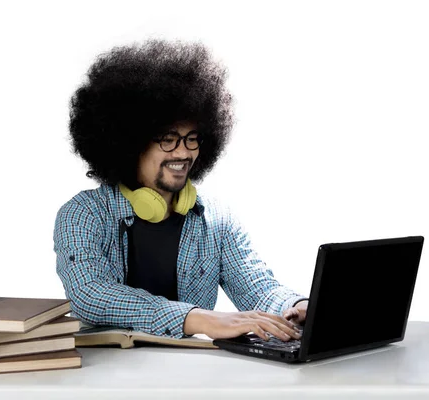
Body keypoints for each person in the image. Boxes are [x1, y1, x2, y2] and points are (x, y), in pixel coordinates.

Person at [54, 39, 308, 342]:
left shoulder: (216, 218)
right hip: (104, 377)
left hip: (189, 375)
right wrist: (195, 318)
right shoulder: (84, 214)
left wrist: (298, 306)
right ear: (129, 143)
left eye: (191, 138)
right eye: (167, 138)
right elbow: (91, 294)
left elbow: (257, 288)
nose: (184, 152)